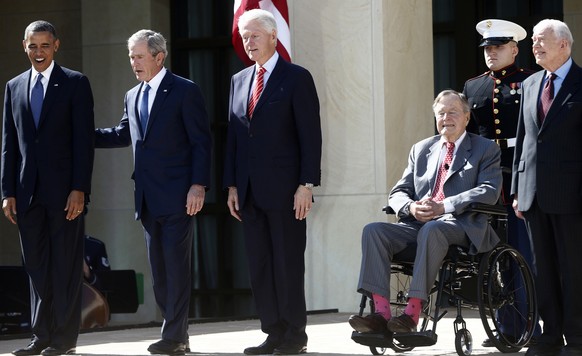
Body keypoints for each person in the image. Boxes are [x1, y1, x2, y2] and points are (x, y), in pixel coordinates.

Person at [94, 29, 212, 355]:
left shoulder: (185, 91)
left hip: (178, 197)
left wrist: (198, 186)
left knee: (176, 269)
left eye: (139, 56)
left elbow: (200, 142)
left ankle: (174, 336)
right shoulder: (132, 95)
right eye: (131, 56)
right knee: (160, 273)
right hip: (146, 199)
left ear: (159, 57)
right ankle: (176, 333)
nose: (134, 63)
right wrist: (80, 135)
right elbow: (122, 133)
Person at [348, 90, 502, 335]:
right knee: (374, 231)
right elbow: (398, 191)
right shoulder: (421, 149)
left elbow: (489, 190)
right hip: (419, 224)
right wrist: (410, 207)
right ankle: (380, 314)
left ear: (466, 117)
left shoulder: (485, 149)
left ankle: (412, 314)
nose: (446, 117)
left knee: (433, 229)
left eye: (453, 112)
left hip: (461, 224)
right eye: (441, 113)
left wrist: (445, 205)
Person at [223, 9, 322, 356]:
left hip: (286, 191)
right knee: (261, 266)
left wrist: (306, 184)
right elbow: (235, 138)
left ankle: (295, 335)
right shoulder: (238, 81)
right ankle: (273, 332)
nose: (247, 42)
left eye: (253, 35)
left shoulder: (296, 78)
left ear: (272, 36)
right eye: (244, 36)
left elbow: (310, 135)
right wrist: (232, 186)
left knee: (287, 263)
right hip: (249, 192)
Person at [1, 20, 95, 356]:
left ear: (56, 45)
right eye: (32, 46)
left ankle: (63, 340)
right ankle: (40, 337)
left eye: (44, 45)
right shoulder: (13, 87)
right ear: (23, 45)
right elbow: (9, 144)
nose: (38, 52)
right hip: (27, 196)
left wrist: (80, 188)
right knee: (37, 268)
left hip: (66, 195)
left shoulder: (75, 83)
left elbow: (84, 142)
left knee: (65, 269)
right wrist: (7, 192)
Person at [462, 19, 540, 347]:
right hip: (487, 180)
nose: (491, 54)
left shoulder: (531, 81)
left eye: (498, 48)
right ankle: (505, 327)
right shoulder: (473, 86)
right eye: (487, 49)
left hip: (520, 174)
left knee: (525, 254)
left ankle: (530, 328)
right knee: (494, 255)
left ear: (514, 49)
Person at [512, 19, 582, 356]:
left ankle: (577, 335)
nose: (536, 46)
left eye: (542, 41)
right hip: (532, 193)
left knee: (573, 267)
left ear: (564, 45)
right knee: (541, 268)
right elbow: (524, 142)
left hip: (572, 194)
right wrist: (516, 189)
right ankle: (549, 334)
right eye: (534, 42)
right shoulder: (529, 84)